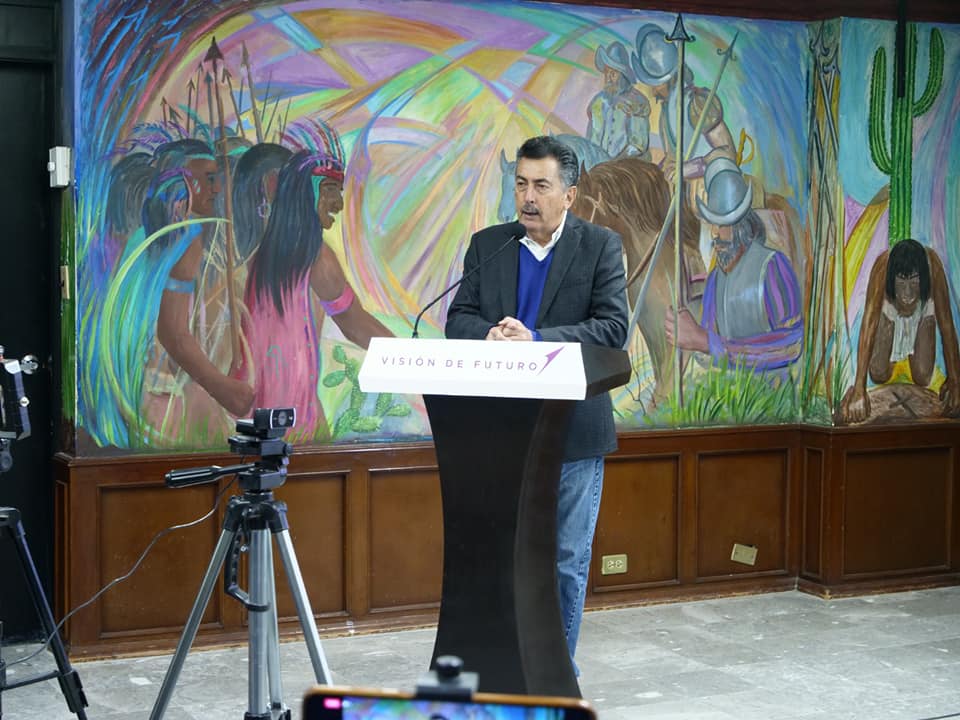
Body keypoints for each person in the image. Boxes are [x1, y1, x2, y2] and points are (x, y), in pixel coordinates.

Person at [445, 135, 628, 664]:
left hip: (573, 431)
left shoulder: (600, 246)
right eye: (521, 184)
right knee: (503, 558)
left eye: (541, 186)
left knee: (565, 559)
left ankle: (556, 672)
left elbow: (612, 328)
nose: (528, 197)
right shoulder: (489, 244)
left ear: (569, 194)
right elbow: (458, 318)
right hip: (500, 431)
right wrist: (488, 335)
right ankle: (506, 666)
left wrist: (538, 340)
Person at [239, 129, 393, 443]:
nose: (338, 202)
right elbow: (356, 324)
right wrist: (411, 358)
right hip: (294, 415)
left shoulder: (260, 253)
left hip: (257, 414)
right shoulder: (314, 256)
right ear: (304, 192)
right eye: (330, 189)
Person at [664, 157, 803, 372]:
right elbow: (708, 349)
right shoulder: (715, 280)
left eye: (721, 225)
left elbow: (791, 347)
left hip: (772, 391)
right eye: (711, 224)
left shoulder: (772, 266)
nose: (714, 234)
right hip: (726, 391)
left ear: (740, 226)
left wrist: (707, 343)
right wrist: (690, 340)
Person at [839, 238, 960, 422]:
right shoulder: (882, 269)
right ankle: (885, 366)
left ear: (923, 277)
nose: (908, 293)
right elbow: (869, 324)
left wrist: (955, 379)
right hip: (889, 315)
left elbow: (947, 325)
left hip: (922, 314)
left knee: (923, 377)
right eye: (902, 282)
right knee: (878, 373)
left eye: (914, 282)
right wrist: (858, 388)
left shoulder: (933, 268)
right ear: (892, 278)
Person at [631, 23, 736, 186]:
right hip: (679, 190)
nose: (653, 91)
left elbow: (727, 153)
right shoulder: (665, 113)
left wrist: (690, 169)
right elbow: (671, 159)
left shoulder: (698, 103)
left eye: (656, 84)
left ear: (670, 80)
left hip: (708, 187)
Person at [586, 41, 651, 160]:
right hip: (599, 166)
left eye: (613, 73)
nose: (608, 78)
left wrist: (614, 164)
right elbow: (591, 140)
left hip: (629, 166)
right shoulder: (598, 102)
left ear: (623, 75)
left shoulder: (637, 102)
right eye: (606, 73)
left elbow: (638, 145)